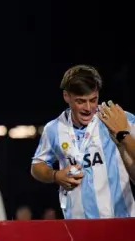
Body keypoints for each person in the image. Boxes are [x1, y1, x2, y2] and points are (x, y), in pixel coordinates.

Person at [30, 65, 134, 218]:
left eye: (93, 100)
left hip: (120, 221)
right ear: (66, 96)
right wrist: (55, 175)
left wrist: (123, 135)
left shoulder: (115, 118)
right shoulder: (54, 129)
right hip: (77, 227)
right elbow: (37, 166)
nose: (88, 108)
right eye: (81, 101)